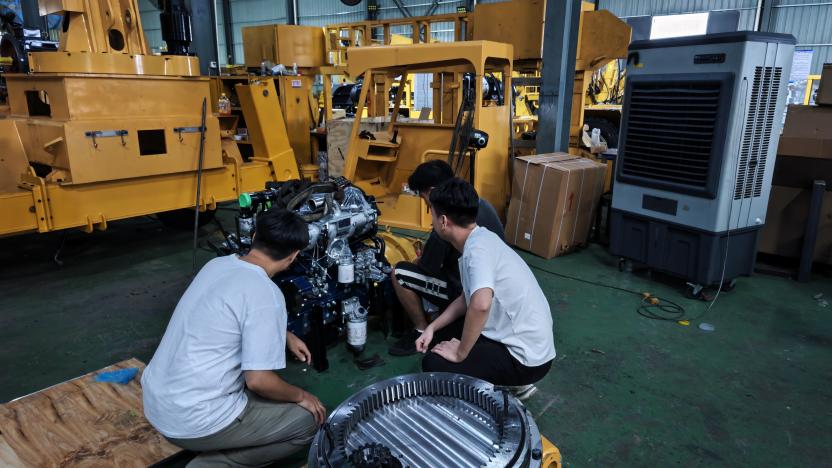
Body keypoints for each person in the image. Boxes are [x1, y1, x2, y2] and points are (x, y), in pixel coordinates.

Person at [142, 208, 325, 468]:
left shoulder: (218, 265)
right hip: (192, 420)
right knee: (308, 421)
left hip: (157, 401)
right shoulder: (266, 294)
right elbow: (259, 381)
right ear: (294, 256)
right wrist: (301, 396)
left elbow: (227, 311)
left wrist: (282, 333)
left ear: (254, 237)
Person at [415, 178, 556, 391]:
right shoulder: (481, 237)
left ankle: (514, 385)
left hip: (525, 360)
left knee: (433, 364)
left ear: (443, 221)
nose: (431, 221)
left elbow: (480, 305)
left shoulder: (476, 252)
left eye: (431, 214)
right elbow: (466, 299)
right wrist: (431, 328)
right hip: (530, 344)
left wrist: (461, 352)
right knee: (440, 338)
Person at [388, 160, 504, 356]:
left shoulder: (444, 223)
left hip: (468, 294)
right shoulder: (479, 203)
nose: (426, 204)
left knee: (399, 273)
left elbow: (427, 268)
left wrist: (417, 260)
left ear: (432, 192)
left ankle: (421, 330)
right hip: (495, 289)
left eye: (424, 197)